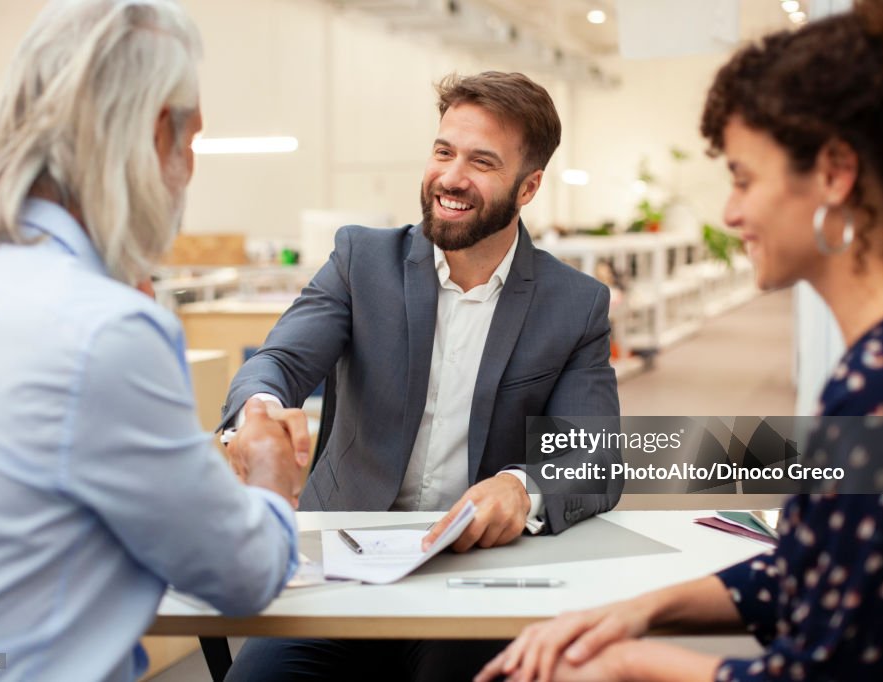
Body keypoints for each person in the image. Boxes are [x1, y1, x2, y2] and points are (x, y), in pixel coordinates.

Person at [477, 1, 883, 681]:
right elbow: (818, 569)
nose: (730, 212)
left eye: (744, 178)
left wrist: (631, 665)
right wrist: (641, 609)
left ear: (836, 174)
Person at [0, 1, 308, 679]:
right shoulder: (106, 329)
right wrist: (273, 478)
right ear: (158, 133)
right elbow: (242, 575)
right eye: (192, 141)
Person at [223, 71, 622, 681]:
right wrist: (257, 409)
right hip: (343, 567)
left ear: (529, 186)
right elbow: (277, 363)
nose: (452, 177)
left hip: (477, 579)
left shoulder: (574, 305)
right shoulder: (362, 261)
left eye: (482, 161)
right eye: (444, 151)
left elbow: (594, 458)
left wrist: (520, 487)